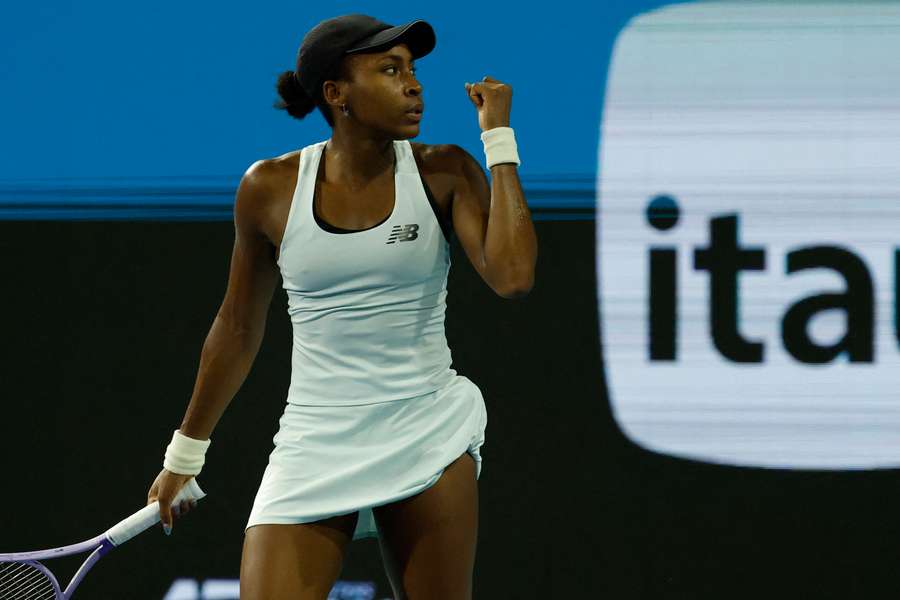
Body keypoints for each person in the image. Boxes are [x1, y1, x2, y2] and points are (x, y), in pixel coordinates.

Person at [145, 13, 536, 600]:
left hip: (425, 426)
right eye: (389, 70)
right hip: (315, 438)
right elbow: (237, 326)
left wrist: (498, 140)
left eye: (412, 69)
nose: (414, 84)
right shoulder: (268, 188)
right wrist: (185, 453)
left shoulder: (446, 171)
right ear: (336, 93)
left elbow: (513, 277)